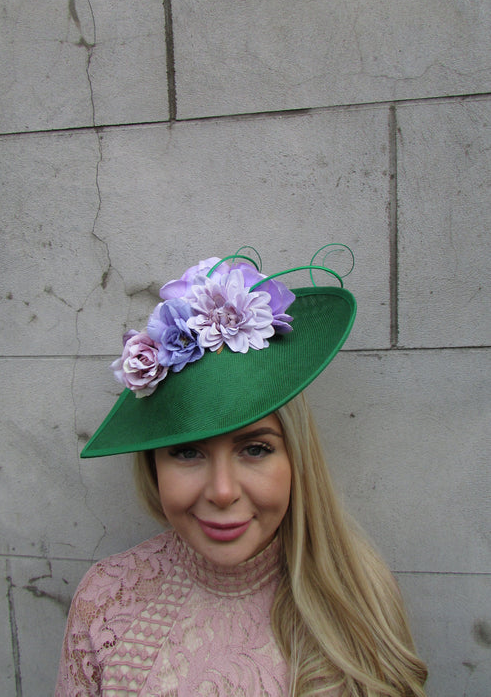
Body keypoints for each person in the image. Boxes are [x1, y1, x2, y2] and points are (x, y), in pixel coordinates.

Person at [55, 247, 427, 696]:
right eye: (186, 453)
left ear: (296, 460)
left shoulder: (361, 596)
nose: (223, 491)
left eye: (254, 448)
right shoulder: (105, 603)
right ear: (153, 465)